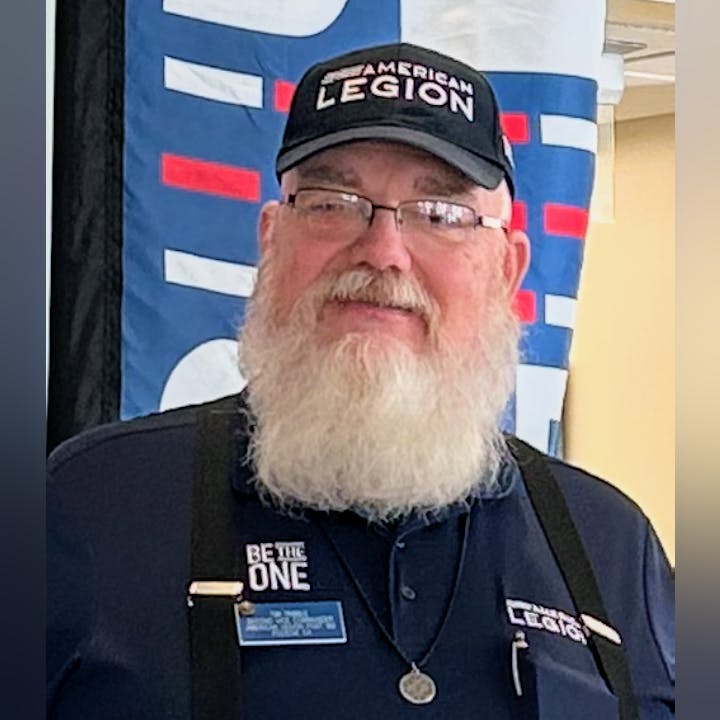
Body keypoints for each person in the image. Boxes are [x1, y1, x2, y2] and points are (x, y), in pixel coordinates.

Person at [47, 42, 674, 719]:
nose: (383, 252)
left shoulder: (610, 545)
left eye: (440, 214)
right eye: (332, 202)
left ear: (507, 270)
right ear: (270, 239)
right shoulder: (93, 503)